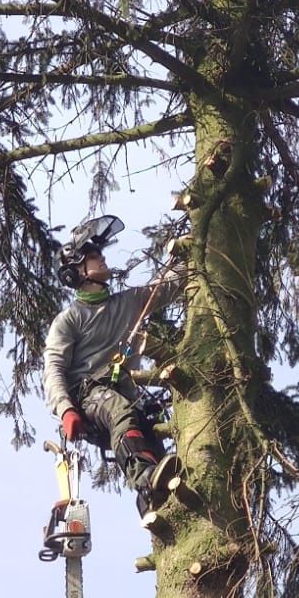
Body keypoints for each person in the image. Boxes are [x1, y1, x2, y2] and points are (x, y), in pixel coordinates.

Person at [42, 215, 183, 508]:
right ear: (76, 271)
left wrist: (193, 258)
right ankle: (144, 478)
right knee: (119, 411)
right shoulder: (69, 319)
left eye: (99, 254)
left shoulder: (126, 303)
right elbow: (53, 368)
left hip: (126, 397)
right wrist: (66, 409)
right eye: (92, 257)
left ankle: (156, 500)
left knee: (151, 438)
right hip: (89, 398)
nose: (101, 260)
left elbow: (166, 288)